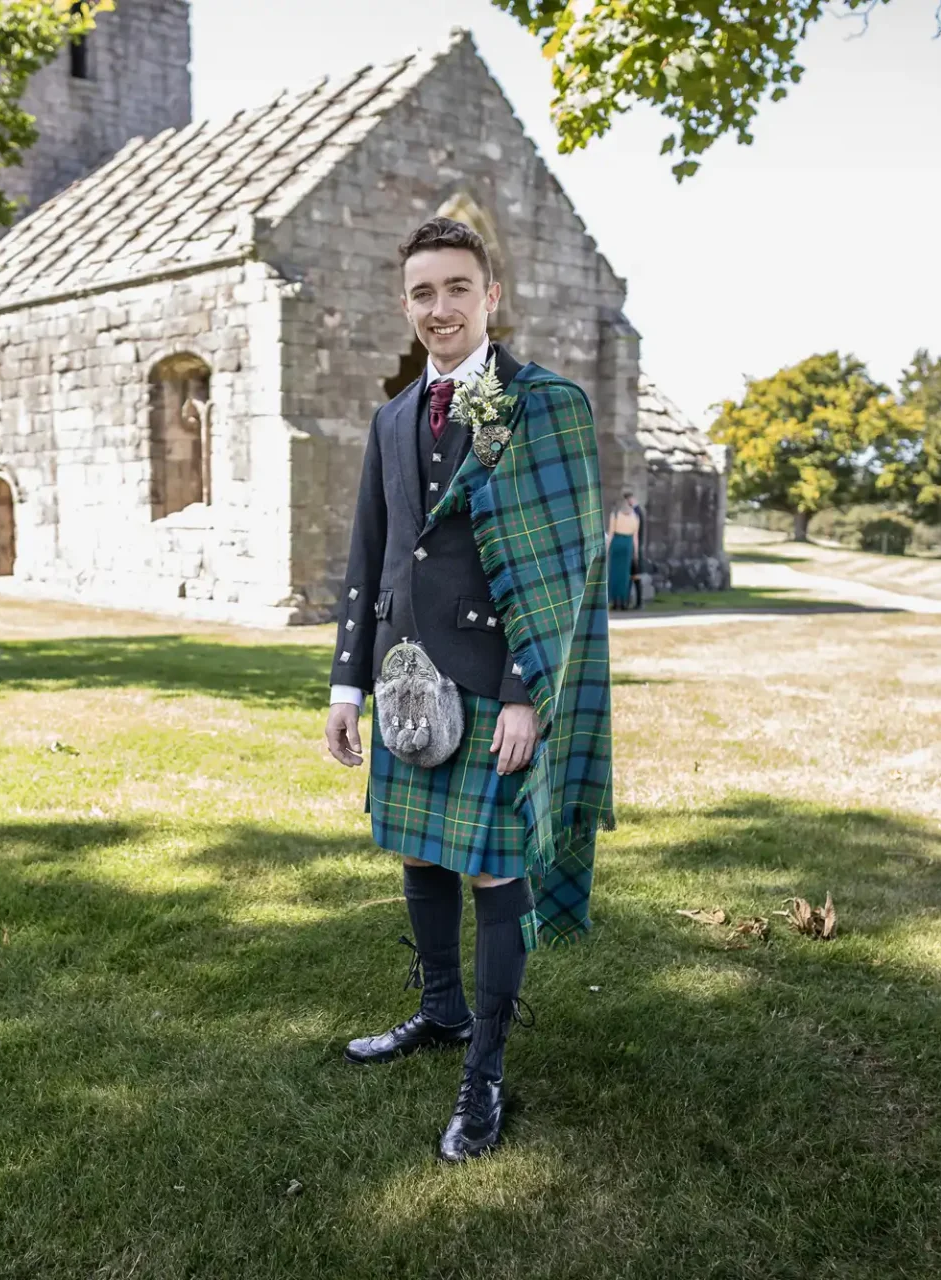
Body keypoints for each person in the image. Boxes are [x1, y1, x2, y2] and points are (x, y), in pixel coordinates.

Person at [323, 217, 613, 1163]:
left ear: (491, 297)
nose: (438, 308)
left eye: (456, 288)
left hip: (494, 680)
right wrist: (345, 685)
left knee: (493, 869)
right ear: (404, 306)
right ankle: (440, 1013)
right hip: (410, 681)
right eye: (421, 293)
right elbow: (369, 557)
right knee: (419, 854)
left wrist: (529, 690)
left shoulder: (546, 405)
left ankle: (484, 1071)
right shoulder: (394, 415)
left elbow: (569, 563)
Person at [607, 491, 642, 609]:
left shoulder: (615, 515)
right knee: (624, 574)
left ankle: (615, 601)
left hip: (617, 542)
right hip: (628, 544)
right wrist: (636, 552)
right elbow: (635, 537)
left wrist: (607, 548)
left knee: (615, 572)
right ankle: (623, 601)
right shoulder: (635, 517)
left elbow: (611, 534)